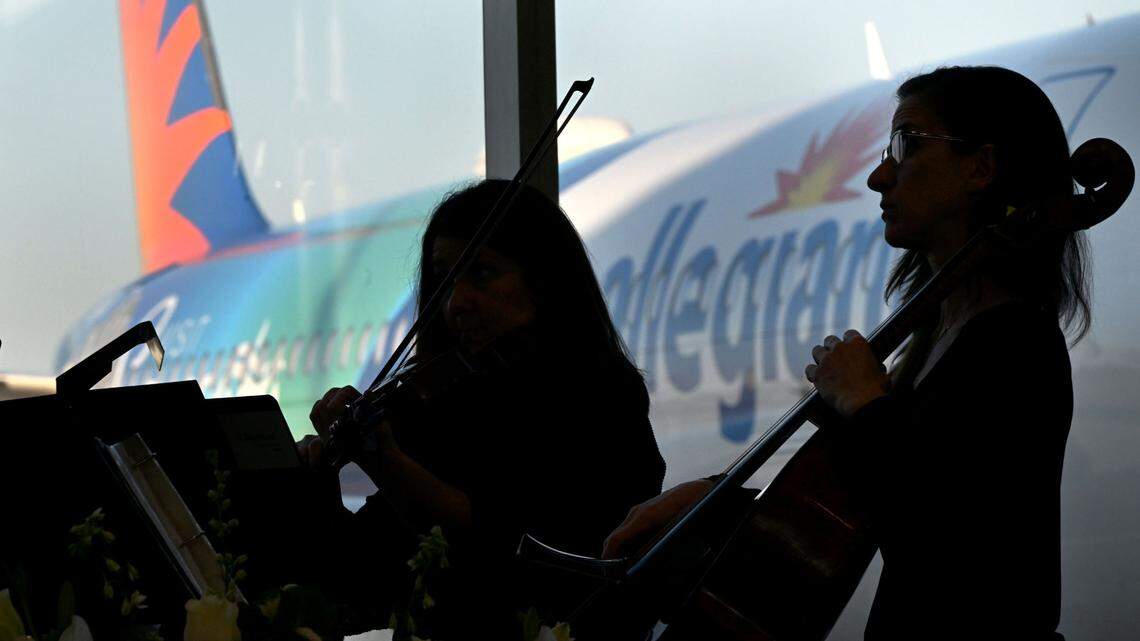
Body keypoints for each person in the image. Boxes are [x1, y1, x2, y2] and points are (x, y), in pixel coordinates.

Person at [603, 66, 1089, 640]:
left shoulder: (1013, 344)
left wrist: (865, 404)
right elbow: (847, 502)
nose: (880, 175)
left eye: (907, 144)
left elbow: (942, 534)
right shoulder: (942, 330)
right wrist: (715, 495)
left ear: (981, 167)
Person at [302, 179, 665, 637]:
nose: (456, 303)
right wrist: (317, 494)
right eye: (445, 279)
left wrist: (387, 463)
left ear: (543, 280)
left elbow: (501, 550)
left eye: (483, 273)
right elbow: (367, 582)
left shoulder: (601, 396)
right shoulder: (442, 406)